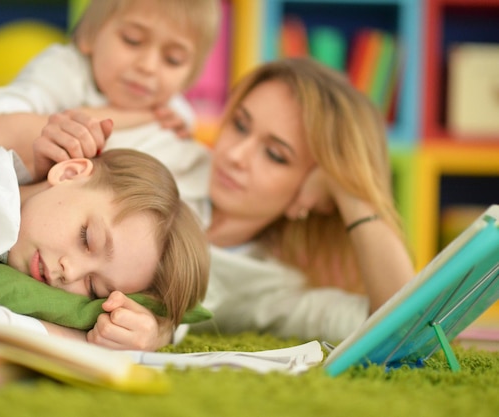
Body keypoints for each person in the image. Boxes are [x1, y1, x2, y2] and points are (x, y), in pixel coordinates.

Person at [29, 57, 416, 343]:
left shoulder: (270, 286)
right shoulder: (161, 149)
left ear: (316, 193)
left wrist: (351, 192)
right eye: (240, 125)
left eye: (275, 155)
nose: (235, 155)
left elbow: (401, 323)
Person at [0, 144, 209, 351]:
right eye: (86, 239)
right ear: (70, 173)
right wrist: (78, 343)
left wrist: (155, 335)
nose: (70, 272)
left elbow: (171, 313)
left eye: (93, 288)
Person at [0, 0, 221, 182]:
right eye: (132, 40)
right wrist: (132, 116)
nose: (149, 67)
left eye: (173, 59)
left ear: (190, 77)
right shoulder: (63, 69)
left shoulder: (176, 113)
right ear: (90, 35)